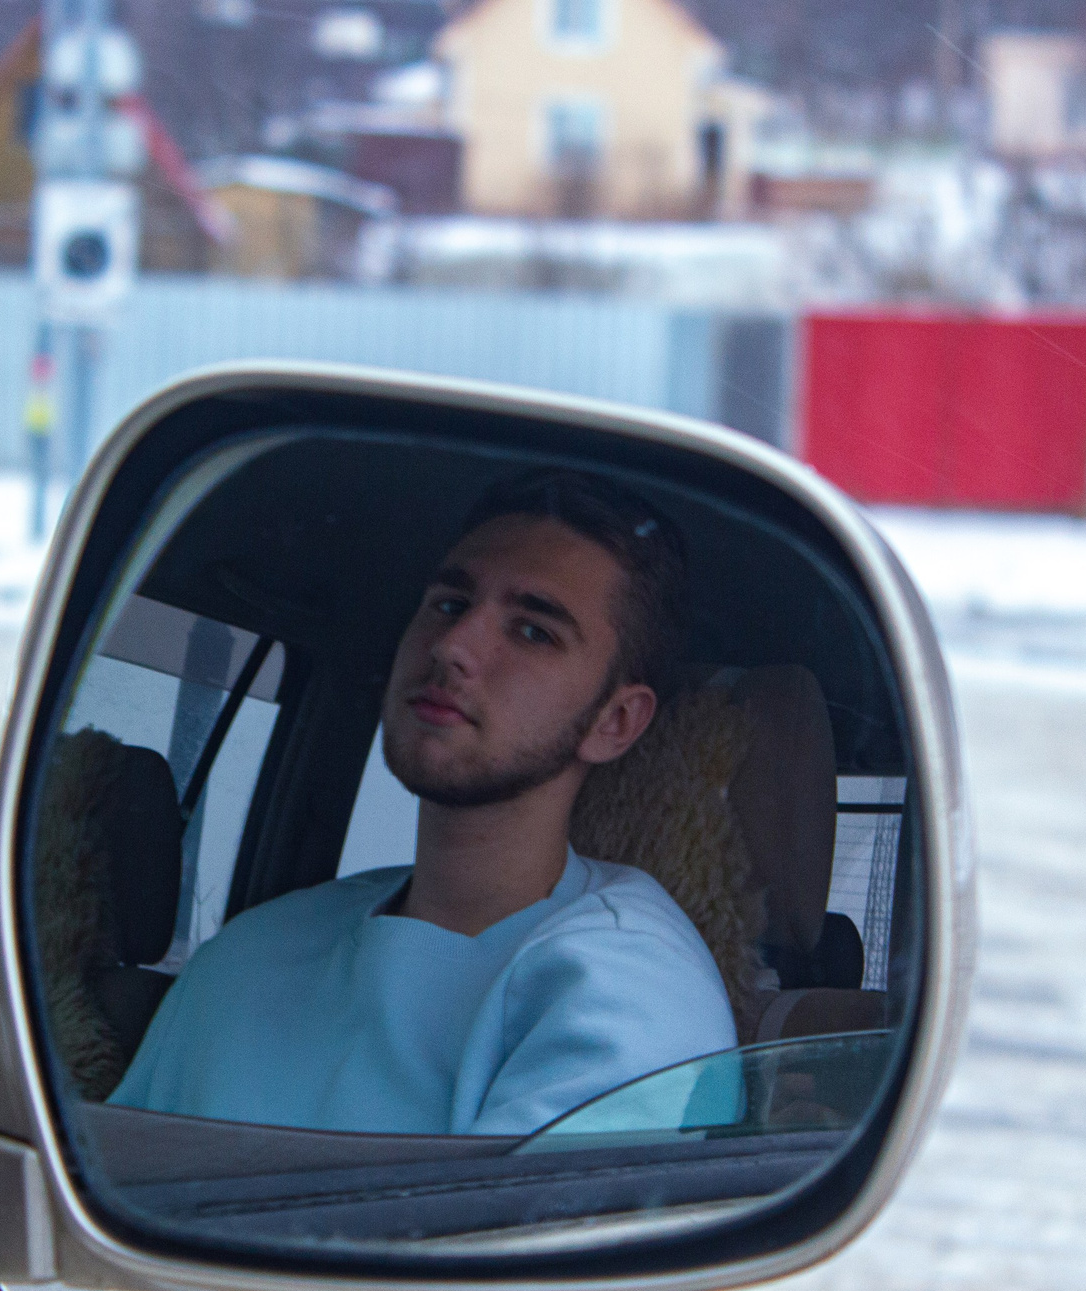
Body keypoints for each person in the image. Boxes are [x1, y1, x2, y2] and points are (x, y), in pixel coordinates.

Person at [109, 469, 739, 1136]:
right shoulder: (248, 954)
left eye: (532, 631)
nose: (452, 647)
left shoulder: (627, 992)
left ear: (613, 722)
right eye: (447, 603)